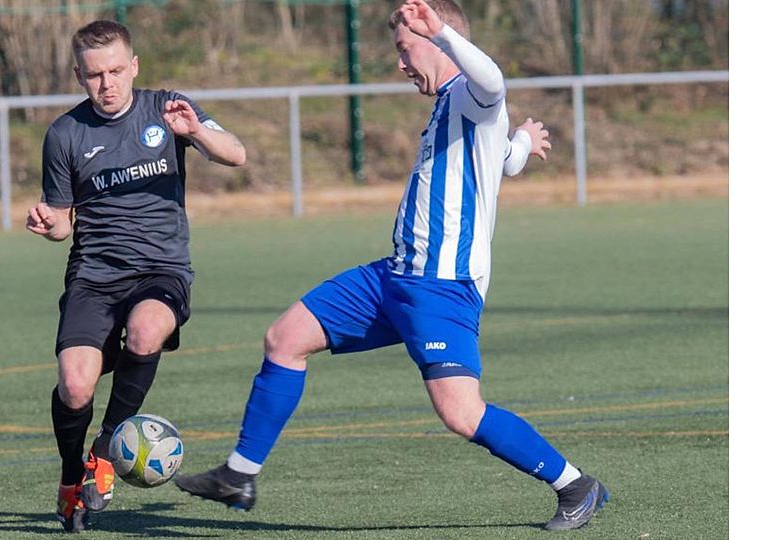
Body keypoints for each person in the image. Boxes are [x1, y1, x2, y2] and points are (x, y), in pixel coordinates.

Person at [174, 0, 608, 532]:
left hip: (441, 287)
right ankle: (238, 475)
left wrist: (443, 32)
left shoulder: (473, 95)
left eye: (406, 49)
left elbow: (494, 84)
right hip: (392, 277)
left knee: (461, 413)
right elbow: (498, 160)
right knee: (285, 338)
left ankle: (576, 486)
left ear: (437, 40)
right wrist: (520, 146)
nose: (401, 64)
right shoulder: (450, 107)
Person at [25, 19, 246, 533]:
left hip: (160, 268)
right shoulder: (65, 134)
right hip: (94, 275)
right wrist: (48, 223)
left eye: (116, 71)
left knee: (147, 329)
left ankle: (104, 450)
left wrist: (196, 132)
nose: (107, 84)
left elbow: (235, 153)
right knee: (75, 385)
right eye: (95, 74)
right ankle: (69, 474)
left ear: (135, 66)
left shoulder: (166, 109)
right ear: (78, 74)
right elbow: (62, 223)